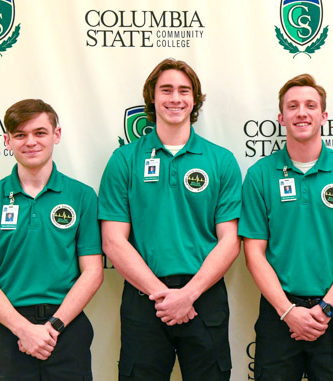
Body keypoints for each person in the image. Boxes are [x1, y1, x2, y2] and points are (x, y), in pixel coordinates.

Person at [98, 58, 241, 380]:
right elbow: (112, 240)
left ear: (195, 99)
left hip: (204, 298)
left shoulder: (221, 160)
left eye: (183, 90)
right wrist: (163, 296)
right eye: (166, 90)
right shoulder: (124, 160)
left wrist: (188, 295)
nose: (175, 98)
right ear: (152, 97)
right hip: (144, 299)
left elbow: (230, 240)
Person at [239, 74, 333, 380]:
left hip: (332, 315)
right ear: (281, 117)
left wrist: (325, 308)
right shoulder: (260, 175)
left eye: (310, 105)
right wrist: (288, 312)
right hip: (278, 313)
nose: (301, 112)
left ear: (323, 116)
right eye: (293, 106)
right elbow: (253, 254)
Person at [0, 99, 103, 380]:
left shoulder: (82, 196)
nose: (30, 142)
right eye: (20, 135)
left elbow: (93, 271)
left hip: (65, 329)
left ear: (56, 135)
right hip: (6, 331)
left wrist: (53, 327)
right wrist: (23, 329)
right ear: (7, 140)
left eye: (39, 132)